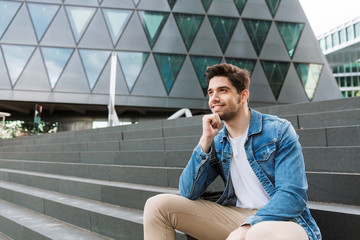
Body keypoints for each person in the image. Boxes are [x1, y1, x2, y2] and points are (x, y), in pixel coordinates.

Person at [143, 63, 321, 240]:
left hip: (284, 222)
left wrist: (247, 227)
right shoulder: (219, 142)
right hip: (238, 216)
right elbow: (188, 192)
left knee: (256, 234)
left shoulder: (277, 131)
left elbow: (292, 196)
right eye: (211, 92)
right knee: (157, 206)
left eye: (223, 90)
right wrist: (205, 141)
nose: (214, 98)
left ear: (243, 95)